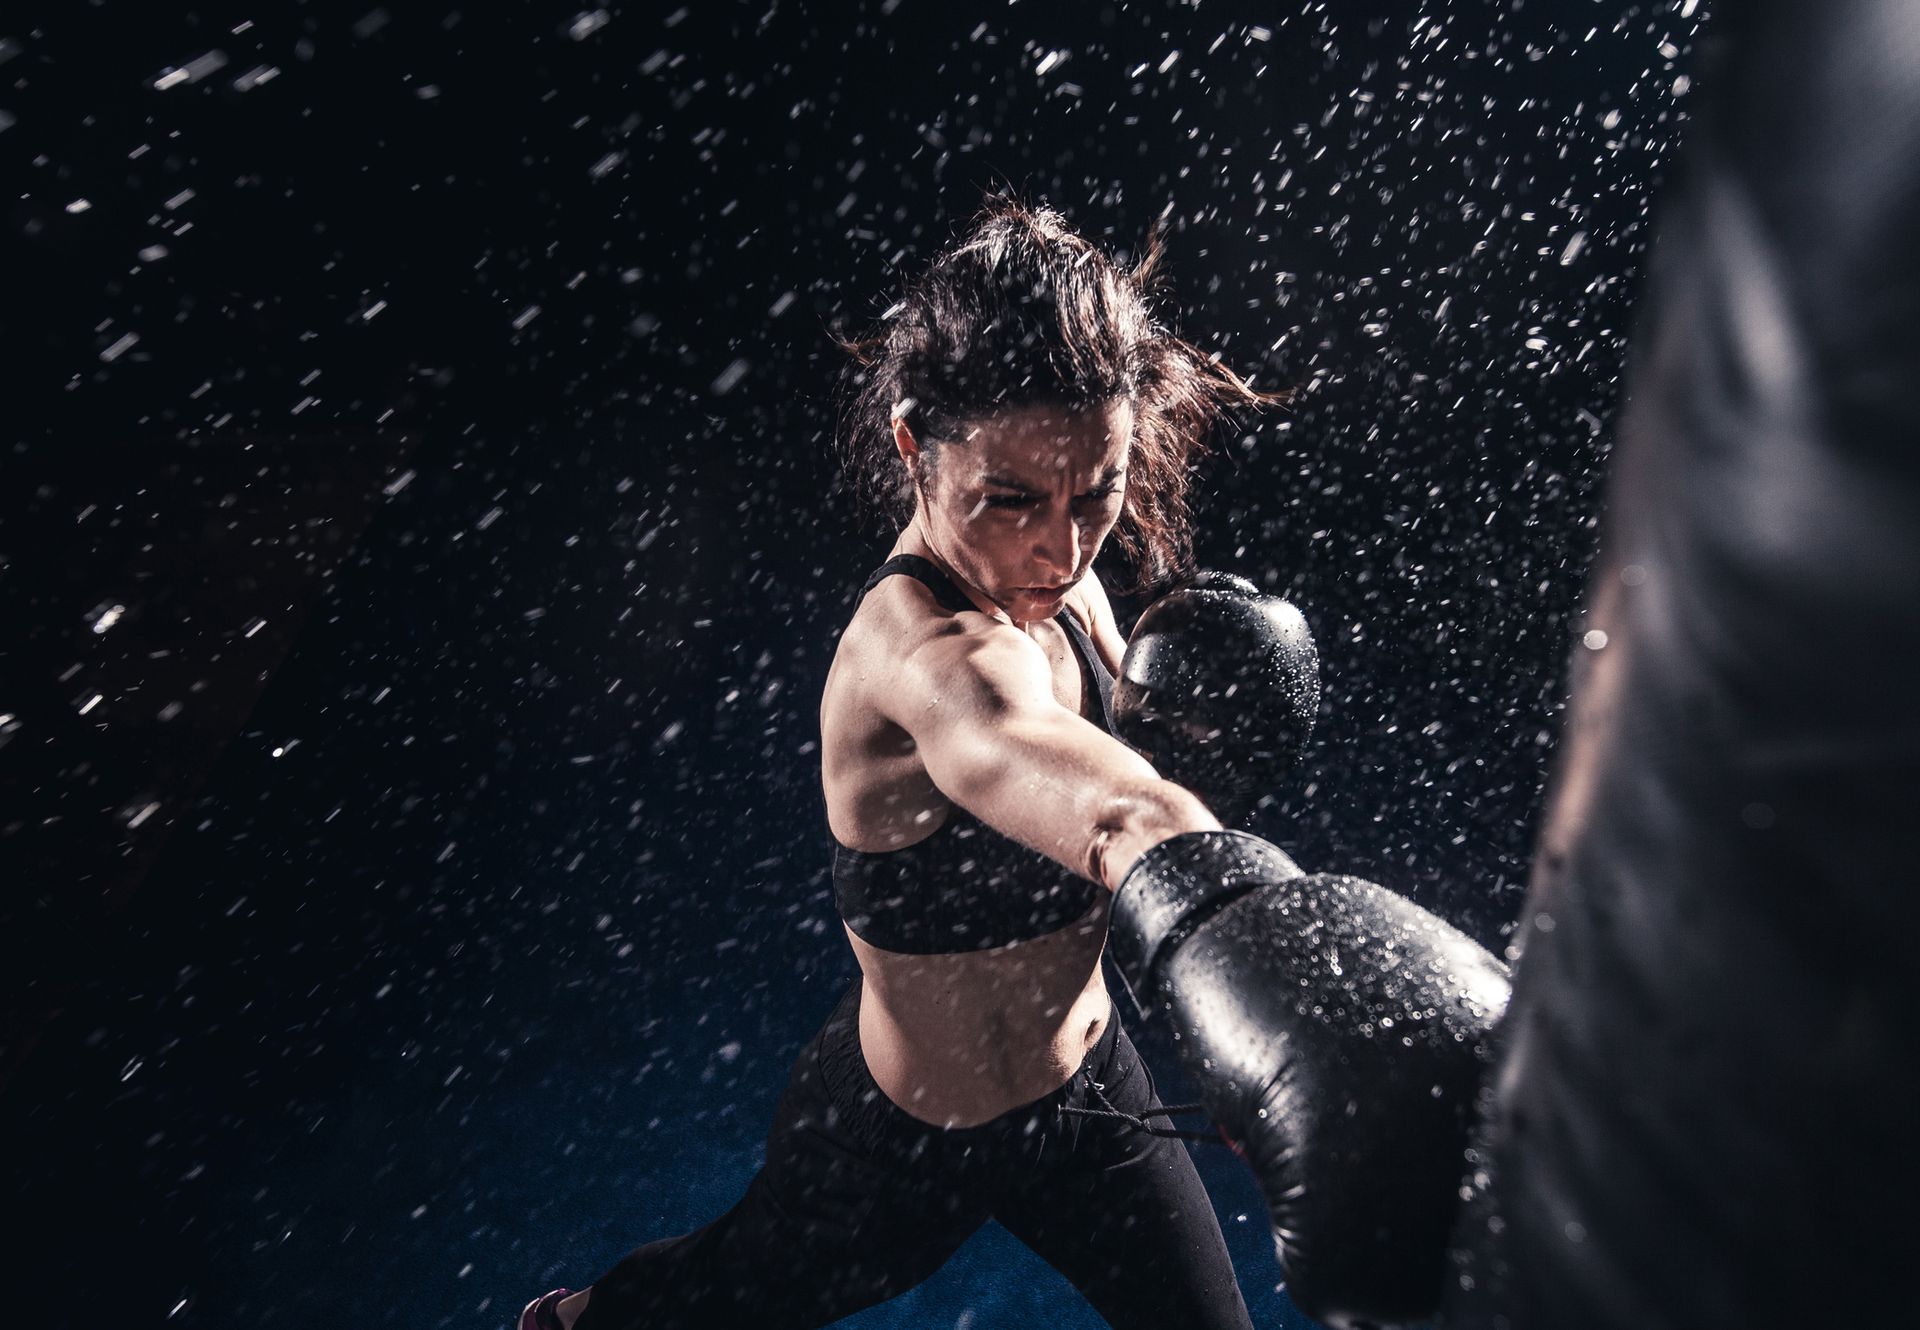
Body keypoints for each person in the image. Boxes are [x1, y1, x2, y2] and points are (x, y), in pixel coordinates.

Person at [520, 196, 1276, 1330]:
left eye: (1096, 492)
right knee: (699, 1307)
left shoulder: (1072, 584)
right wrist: (1270, 950)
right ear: (914, 444)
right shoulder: (921, 659)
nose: (1061, 547)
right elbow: (1112, 809)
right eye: (1011, 499)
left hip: (1088, 1097)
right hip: (904, 1142)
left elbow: (1128, 779)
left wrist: (1234, 1016)